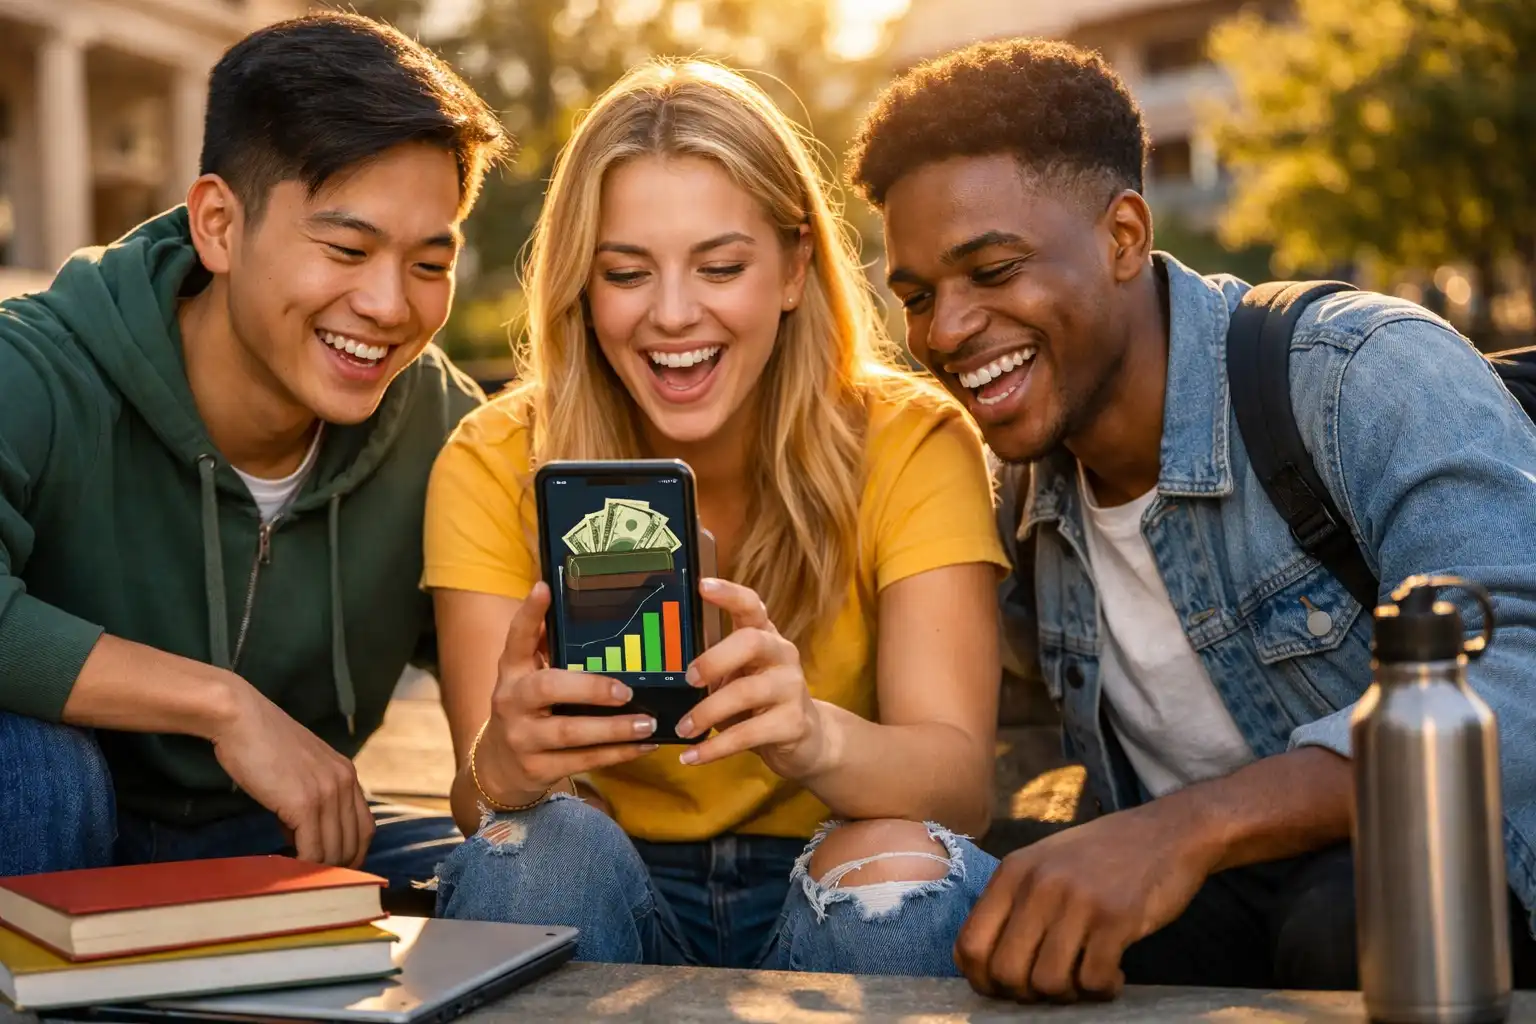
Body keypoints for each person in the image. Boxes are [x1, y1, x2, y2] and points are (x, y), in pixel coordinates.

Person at [842, 37, 1536, 998]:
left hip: (1462, 898)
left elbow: (1515, 679)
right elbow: (989, 754)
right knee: (1025, 942)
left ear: (1124, 235)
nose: (946, 332)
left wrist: (1180, 830)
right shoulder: (1015, 502)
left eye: (993, 271)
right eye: (917, 296)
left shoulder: (1360, 375)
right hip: (1225, 911)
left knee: (1351, 919)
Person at [420, 59, 1010, 970]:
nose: (672, 315)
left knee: (892, 875)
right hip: (609, 867)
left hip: (831, 866)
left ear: (793, 267)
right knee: (534, 857)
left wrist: (811, 735)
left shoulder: (912, 440)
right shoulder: (497, 459)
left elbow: (959, 785)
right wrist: (506, 758)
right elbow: (481, 798)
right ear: (582, 283)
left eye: (721, 266)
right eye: (626, 273)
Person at [0, 12, 507, 894]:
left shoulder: (446, 432)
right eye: (347, 248)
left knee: (520, 880)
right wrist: (220, 705)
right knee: (38, 770)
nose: (390, 306)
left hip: (284, 840)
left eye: (430, 264)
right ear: (219, 226)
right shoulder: (35, 371)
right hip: (56, 826)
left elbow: (504, 659)